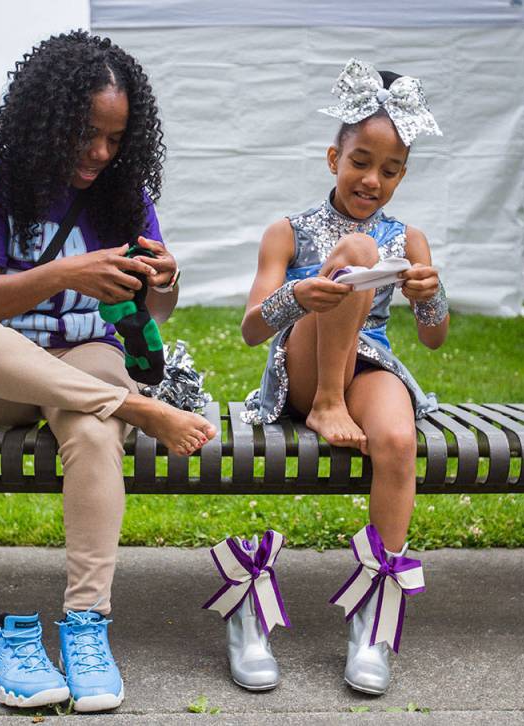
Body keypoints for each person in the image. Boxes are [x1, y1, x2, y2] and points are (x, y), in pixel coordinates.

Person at [0, 31, 216, 712]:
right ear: (47, 117)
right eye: (87, 133)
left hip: (85, 360)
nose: (100, 153)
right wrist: (63, 272)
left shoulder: (122, 191)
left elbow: (157, 310)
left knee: (89, 431)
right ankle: (137, 409)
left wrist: (168, 280)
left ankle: (87, 625)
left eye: (115, 139)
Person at [203, 58, 448, 696]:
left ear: (403, 174)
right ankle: (328, 406)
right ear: (332, 156)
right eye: (360, 161)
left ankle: (374, 620)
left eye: (390, 170)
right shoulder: (287, 230)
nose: (372, 179)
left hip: (371, 365)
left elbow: (433, 336)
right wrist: (300, 297)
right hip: (304, 369)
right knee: (360, 253)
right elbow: (253, 327)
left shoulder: (411, 237)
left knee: (397, 441)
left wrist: (432, 293)